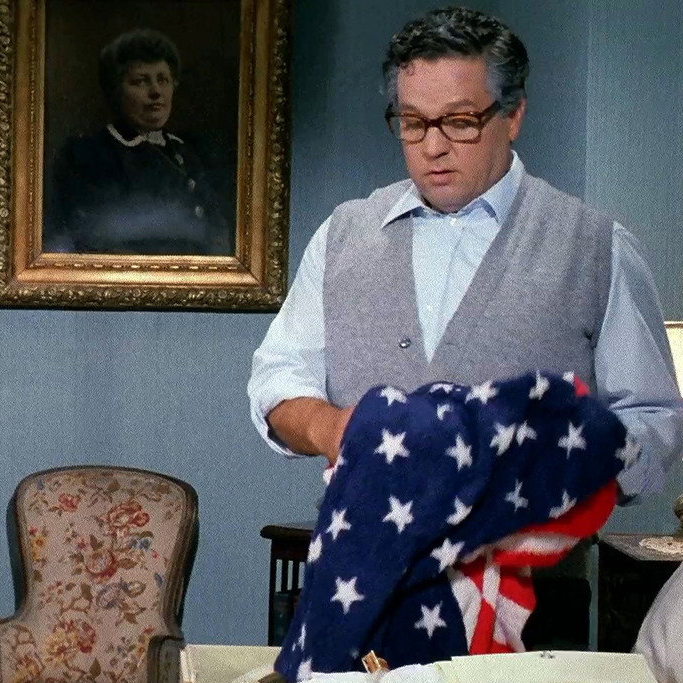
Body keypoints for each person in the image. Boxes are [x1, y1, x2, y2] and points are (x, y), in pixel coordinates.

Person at [247, 5, 682, 504]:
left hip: (531, 550)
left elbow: (653, 419)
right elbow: (277, 378)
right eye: (413, 122)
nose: (432, 147)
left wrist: (557, 466)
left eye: (459, 121)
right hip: (364, 546)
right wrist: (331, 428)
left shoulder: (596, 247)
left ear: (513, 115)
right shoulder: (341, 236)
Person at [45, 28, 232, 255]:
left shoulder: (191, 153)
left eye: (163, 80)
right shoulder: (89, 156)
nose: (156, 92)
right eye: (141, 81)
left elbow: (218, 235)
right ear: (116, 91)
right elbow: (97, 237)